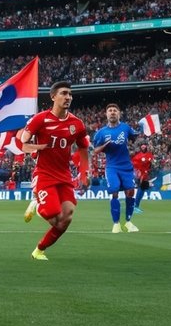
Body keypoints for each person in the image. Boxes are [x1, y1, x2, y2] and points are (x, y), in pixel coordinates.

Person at [19, 81, 91, 261]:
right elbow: (23, 142)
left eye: (70, 94)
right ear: (53, 97)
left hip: (64, 175)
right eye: (64, 93)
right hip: (44, 174)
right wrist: (35, 147)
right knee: (53, 215)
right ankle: (37, 201)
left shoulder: (77, 123)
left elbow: (83, 148)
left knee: (66, 218)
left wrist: (85, 172)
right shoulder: (40, 119)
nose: (68, 97)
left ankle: (39, 250)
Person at [92, 103, 140, 234]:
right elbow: (95, 151)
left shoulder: (125, 127)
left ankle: (128, 222)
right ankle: (116, 224)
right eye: (110, 111)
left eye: (115, 110)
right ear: (106, 114)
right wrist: (104, 146)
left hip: (126, 166)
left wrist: (142, 133)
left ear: (119, 114)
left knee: (130, 192)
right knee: (114, 192)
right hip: (112, 167)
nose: (112, 112)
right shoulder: (101, 133)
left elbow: (134, 137)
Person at [131, 142, 154, 211]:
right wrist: (137, 173)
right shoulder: (137, 156)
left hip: (146, 174)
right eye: (142, 147)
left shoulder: (149, 155)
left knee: (143, 189)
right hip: (140, 174)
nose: (143, 148)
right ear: (141, 148)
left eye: (144, 147)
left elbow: (150, 163)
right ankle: (135, 206)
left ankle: (137, 205)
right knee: (141, 188)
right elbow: (134, 166)